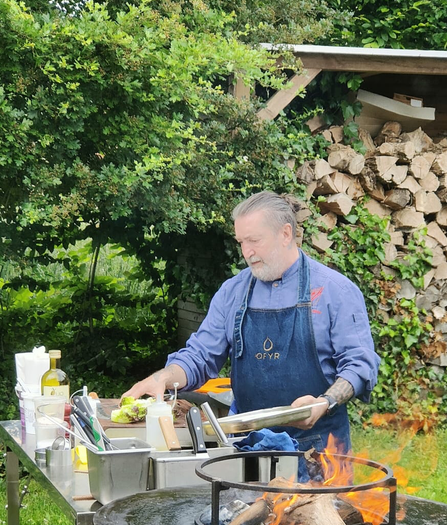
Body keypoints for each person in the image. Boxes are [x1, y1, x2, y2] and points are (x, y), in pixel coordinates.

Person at [122, 191, 379, 452]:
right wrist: (164, 377)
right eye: (241, 242)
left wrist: (324, 403)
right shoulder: (232, 291)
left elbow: (360, 366)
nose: (247, 252)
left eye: (254, 240)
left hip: (320, 452)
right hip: (247, 447)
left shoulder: (336, 291)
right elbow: (200, 355)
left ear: (286, 234)